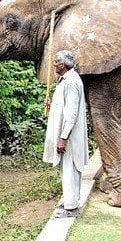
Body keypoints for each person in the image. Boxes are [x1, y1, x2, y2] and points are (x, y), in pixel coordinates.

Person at [43, 50, 88, 218]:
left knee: (70, 168)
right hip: (67, 135)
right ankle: (70, 201)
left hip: (69, 137)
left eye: (55, 62)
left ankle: (71, 208)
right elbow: (63, 106)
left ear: (62, 65)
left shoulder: (71, 82)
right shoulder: (66, 81)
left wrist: (63, 137)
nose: (53, 65)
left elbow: (71, 113)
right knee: (66, 168)